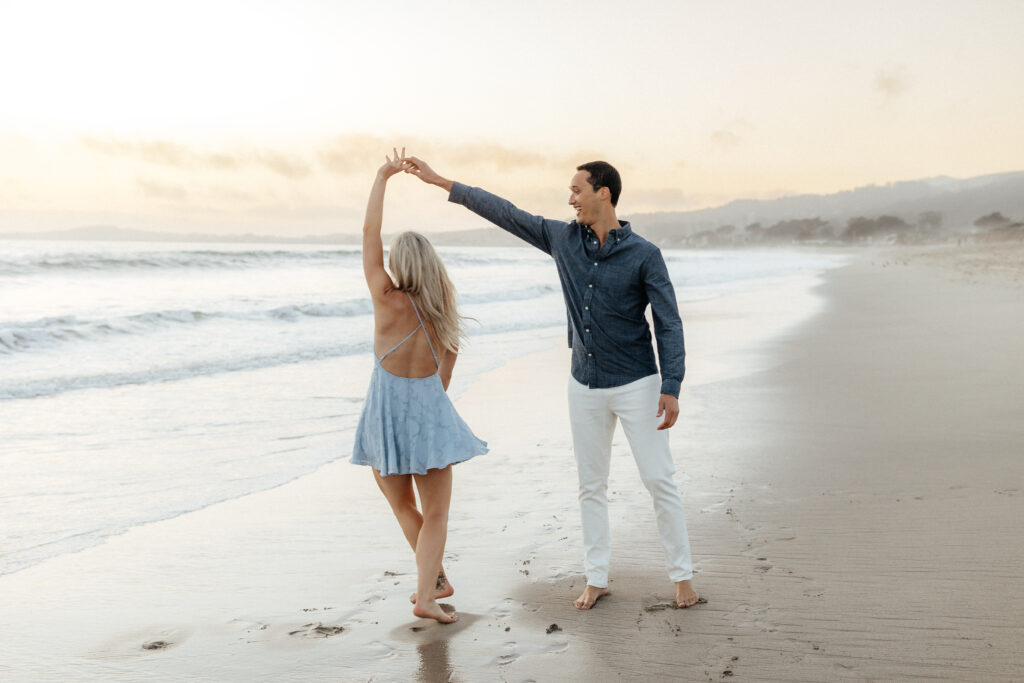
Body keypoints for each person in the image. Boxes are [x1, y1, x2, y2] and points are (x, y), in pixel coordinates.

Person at [404, 155, 699, 610]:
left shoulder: (644, 255)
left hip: (637, 383)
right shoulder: (563, 239)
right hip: (583, 384)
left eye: (577, 190)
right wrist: (440, 181)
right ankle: (596, 578)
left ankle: (683, 579)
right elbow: (504, 211)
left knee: (659, 478)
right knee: (590, 485)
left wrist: (671, 386)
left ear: (604, 192)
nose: (570, 198)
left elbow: (669, 323)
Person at [350, 149, 488, 624]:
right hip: (428, 419)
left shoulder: (385, 299)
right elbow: (442, 384)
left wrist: (382, 176)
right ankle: (432, 586)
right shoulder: (444, 321)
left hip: (383, 419)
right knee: (436, 515)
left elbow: (369, 234)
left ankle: (429, 589)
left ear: (398, 264)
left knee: (404, 508)